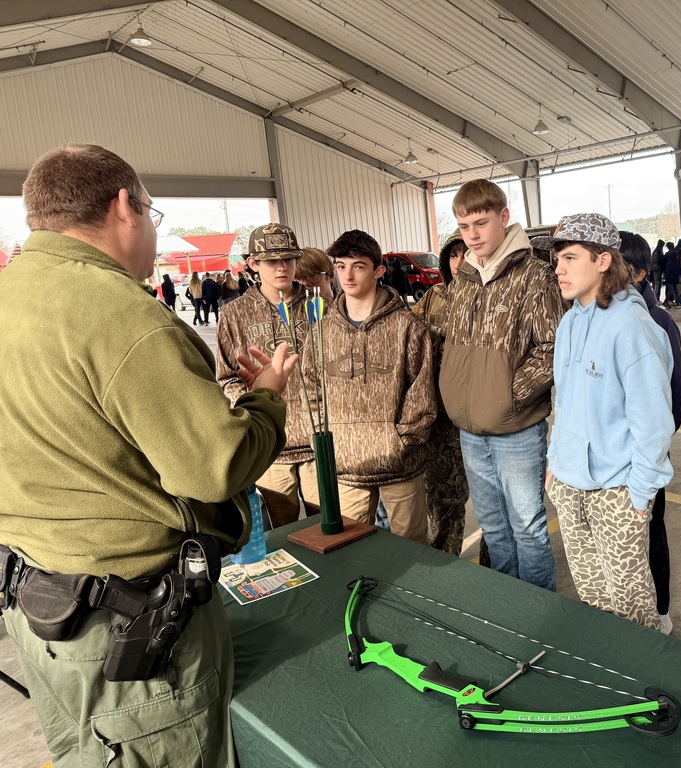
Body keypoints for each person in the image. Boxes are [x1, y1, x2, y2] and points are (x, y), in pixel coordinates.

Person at [0, 143, 294, 767]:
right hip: (130, 633)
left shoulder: (11, 295)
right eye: (153, 212)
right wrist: (266, 399)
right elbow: (214, 467)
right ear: (124, 207)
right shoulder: (124, 317)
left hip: (36, 607)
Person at [539, 214, 673, 631]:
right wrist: (554, 464)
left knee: (631, 606)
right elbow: (565, 403)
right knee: (593, 599)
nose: (558, 269)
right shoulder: (569, 322)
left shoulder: (631, 326)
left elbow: (653, 421)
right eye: (556, 259)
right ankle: (610, 678)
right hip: (569, 483)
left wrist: (638, 494)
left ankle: (646, 684)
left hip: (616, 490)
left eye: (569, 257)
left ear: (603, 261)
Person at [439, 179, 564, 591]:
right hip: (470, 430)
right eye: (463, 227)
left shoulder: (535, 276)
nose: (472, 235)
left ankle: (541, 612)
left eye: (480, 223)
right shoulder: (464, 279)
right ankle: (510, 611)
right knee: (493, 528)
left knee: (527, 528)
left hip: (517, 429)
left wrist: (509, 396)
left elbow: (551, 347)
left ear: (504, 217)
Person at [315, 229, 435, 543]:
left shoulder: (407, 327)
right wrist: (331, 445)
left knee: (412, 550)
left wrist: (400, 441)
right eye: (340, 266)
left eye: (358, 266)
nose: (348, 275)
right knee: (350, 550)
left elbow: (421, 392)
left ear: (378, 271)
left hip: (398, 464)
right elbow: (312, 393)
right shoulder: (322, 331)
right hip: (346, 465)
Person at [217, 224, 319, 528]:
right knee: (282, 534)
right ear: (253, 264)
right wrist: (252, 405)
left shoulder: (319, 306)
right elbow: (225, 378)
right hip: (271, 447)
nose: (281, 267)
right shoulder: (234, 315)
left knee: (327, 528)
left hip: (318, 441)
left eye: (288, 259)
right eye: (272, 260)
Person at [619, 231, 681, 634]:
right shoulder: (588, 316)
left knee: (651, 531)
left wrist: (652, 447)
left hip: (644, 455)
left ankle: (660, 609)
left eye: (620, 265)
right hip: (608, 459)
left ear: (642, 273)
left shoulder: (658, 322)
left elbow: (675, 395)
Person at [411, 232, 475, 559]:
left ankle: (497, 579)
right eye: (454, 255)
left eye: (468, 253)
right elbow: (408, 340)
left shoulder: (492, 298)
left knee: (497, 510)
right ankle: (448, 574)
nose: (461, 262)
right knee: (444, 504)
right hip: (442, 422)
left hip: (484, 419)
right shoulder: (434, 298)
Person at [663, 239, 681, 307]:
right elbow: (676, 271)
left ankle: (677, 300)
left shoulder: (669, 262)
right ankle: (667, 301)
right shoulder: (674, 263)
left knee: (673, 290)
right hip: (672, 279)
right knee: (672, 290)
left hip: (670, 279)